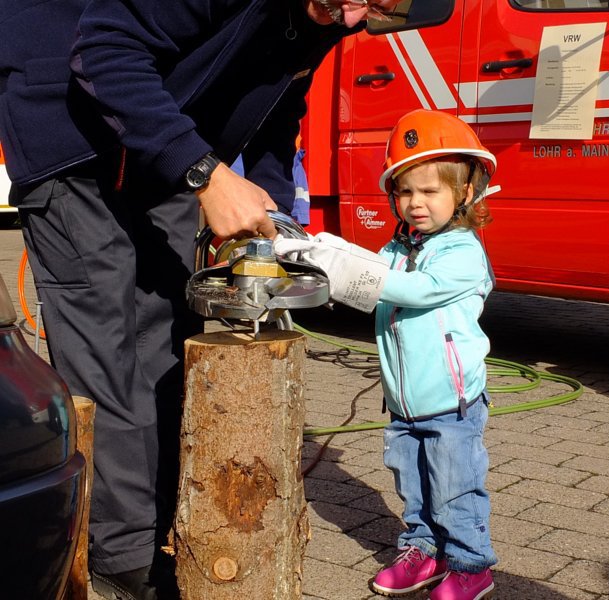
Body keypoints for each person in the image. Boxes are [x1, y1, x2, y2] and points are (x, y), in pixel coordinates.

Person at [0, 1, 400, 599]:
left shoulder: (325, 13)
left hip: (154, 136)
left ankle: (165, 527)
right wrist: (206, 175)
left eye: (375, 8)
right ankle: (124, 558)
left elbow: (280, 99)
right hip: (69, 129)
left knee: (164, 337)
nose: (351, 19)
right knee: (107, 345)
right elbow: (105, 48)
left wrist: (267, 199)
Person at [275, 109, 499, 600]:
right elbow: (372, 273)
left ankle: (469, 563)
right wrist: (319, 251)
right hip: (403, 403)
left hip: (450, 403)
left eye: (430, 190)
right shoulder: (401, 246)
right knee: (414, 484)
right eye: (405, 191)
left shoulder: (462, 251)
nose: (416, 203)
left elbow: (414, 290)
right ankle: (423, 548)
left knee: (454, 486)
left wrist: (347, 267)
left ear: (466, 192)